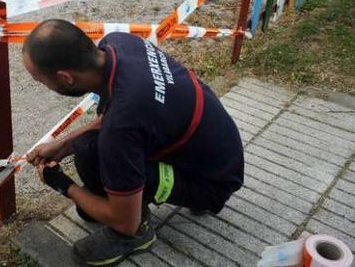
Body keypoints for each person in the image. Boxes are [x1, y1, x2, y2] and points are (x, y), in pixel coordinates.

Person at [22, 20, 244, 266]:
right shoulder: (119, 44)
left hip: (212, 182)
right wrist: (62, 145)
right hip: (215, 152)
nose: (42, 84)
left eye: (40, 80)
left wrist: (64, 185)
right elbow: (113, 117)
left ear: (66, 78)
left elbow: (123, 218)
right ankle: (107, 199)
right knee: (86, 147)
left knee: (108, 173)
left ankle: (138, 234)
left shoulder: (121, 129)